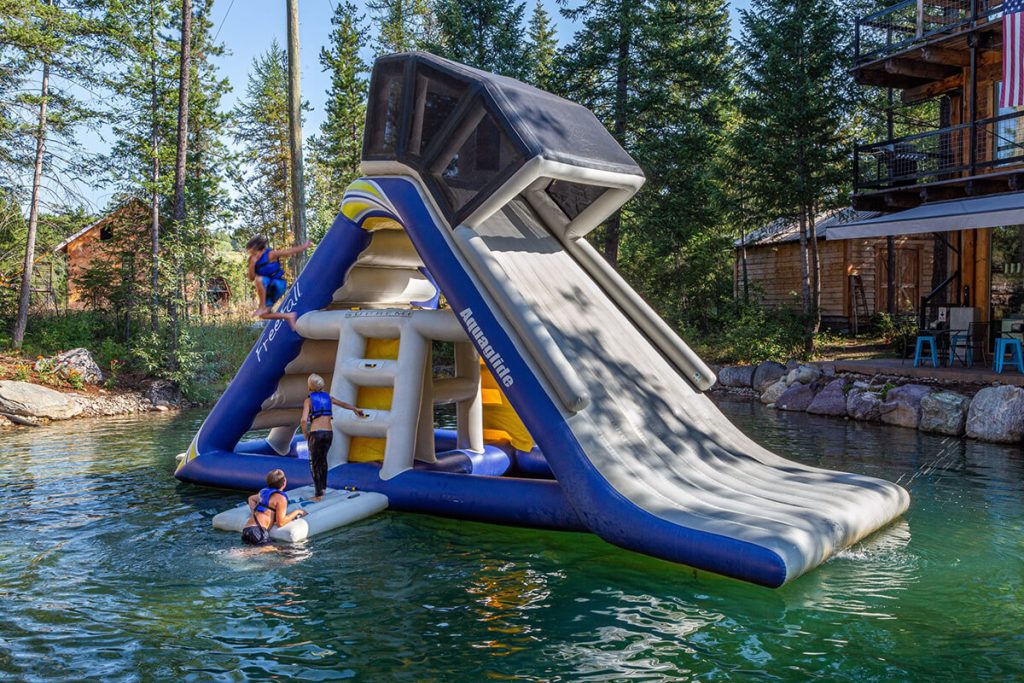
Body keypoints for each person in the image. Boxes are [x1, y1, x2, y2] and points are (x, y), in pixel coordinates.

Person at [301, 374, 366, 501]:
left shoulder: (308, 401)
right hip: (328, 433)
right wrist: (355, 409)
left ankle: (318, 495)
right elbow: (343, 404)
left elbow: (303, 420)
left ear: (310, 387)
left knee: (314, 463)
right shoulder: (329, 398)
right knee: (323, 460)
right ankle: (323, 488)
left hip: (316, 434)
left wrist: (305, 433)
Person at [245, 235, 312, 330]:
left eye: (255, 253)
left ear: (262, 250)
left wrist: (304, 246)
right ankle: (289, 316)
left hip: (278, 284)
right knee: (264, 315)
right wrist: (252, 265)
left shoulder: (270, 254)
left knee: (259, 279)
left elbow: (288, 251)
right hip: (267, 289)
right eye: (251, 254)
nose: (253, 256)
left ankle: (262, 306)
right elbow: (251, 278)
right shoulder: (253, 260)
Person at [241, 469, 307, 546]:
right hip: (258, 531)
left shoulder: (263, 493)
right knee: (280, 554)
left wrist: (254, 513)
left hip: (247, 529)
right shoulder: (281, 498)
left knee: (280, 552)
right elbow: (280, 523)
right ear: (284, 482)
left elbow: (251, 498)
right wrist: (297, 512)